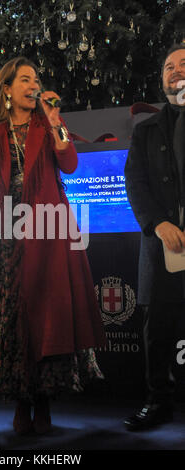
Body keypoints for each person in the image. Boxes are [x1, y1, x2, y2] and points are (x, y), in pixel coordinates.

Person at [0, 56, 105, 435]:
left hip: (48, 231)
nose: (34, 86)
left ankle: (45, 401)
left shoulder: (48, 123)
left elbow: (69, 165)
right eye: (25, 80)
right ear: (7, 89)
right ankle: (21, 401)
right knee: (15, 317)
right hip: (8, 230)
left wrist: (55, 122)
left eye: (36, 79)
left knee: (48, 315)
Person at [124, 44, 185, 431]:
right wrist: (158, 223)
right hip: (162, 243)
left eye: (184, 64)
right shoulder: (145, 130)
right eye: (168, 67)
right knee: (157, 326)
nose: (175, 71)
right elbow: (136, 183)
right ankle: (157, 400)